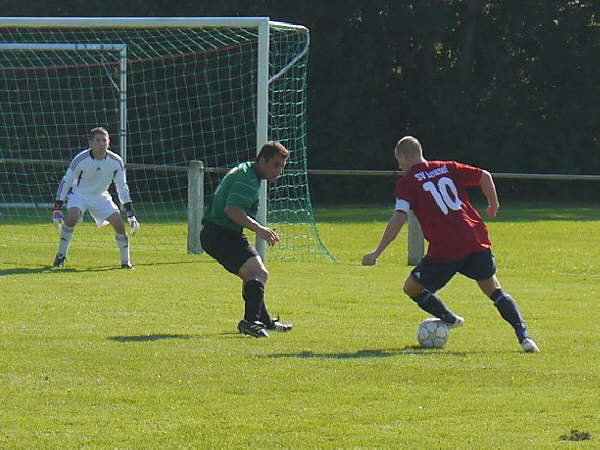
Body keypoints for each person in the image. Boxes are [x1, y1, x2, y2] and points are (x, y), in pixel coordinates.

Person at [362, 136, 540, 353]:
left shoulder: (407, 182)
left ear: (405, 156)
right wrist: (493, 204)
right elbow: (484, 175)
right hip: (473, 237)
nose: (399, 166)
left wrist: (377, 251)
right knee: (493, 289)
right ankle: (525, 338)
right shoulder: (447, 167)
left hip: (445, 247)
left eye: (398, 160)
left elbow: (399, 217)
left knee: (411, 288)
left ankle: (449, 319)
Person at [200, 141, 293, 338]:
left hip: (223, 233)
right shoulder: (248, 179)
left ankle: (264, 321)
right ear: (262, 160)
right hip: (220, 234)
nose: (280, 170)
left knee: (254, 275)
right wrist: (260, 229)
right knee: (259, 273)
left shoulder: (246, 171)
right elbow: (231, 210)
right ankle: (250, 322)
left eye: (282, 166)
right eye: (276, 164)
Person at [52, 127, 140, 269]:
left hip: (101, 196)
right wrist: (57, 208)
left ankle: (126, 262)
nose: (101, 143)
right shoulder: (80, 159)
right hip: (79, 194)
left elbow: (122, 187)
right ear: (91, 143)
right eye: (97, 140)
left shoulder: (116, 161)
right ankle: (61, 256)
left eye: (104, 140)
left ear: (109, 142)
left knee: (118, 223)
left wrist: (130, 213)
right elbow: (66, 181)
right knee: (73, 217)